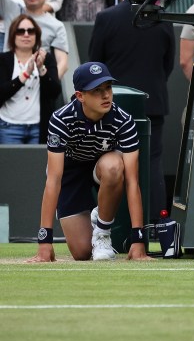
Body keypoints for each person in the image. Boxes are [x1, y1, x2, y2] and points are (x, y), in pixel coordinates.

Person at [27, 61, 150, 263]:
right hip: (71, 171)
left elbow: (132, 181)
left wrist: (138, 240)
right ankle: (97, 218)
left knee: (113, 166)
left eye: (108, 88)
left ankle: (102, 231)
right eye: (96, 90)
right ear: (80, 96)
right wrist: (44, 242)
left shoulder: (123, 120)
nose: (106, 95)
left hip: (104, 165)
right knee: (82, 253)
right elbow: (54, 180)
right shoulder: (61, 119)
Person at [89, 0, 176, 222]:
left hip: (113, 107)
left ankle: (114, 224)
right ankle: (157, 223)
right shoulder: (162, 18)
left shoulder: (107, 18)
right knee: (151, 166)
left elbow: (94, 65)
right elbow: (167, 65)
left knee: (112, 164)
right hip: (152, 104)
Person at [0, 13, 60, 144]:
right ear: (13, 35)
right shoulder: (3, 60)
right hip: (8, 126)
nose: (26, 35)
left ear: (36, 35)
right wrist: (25, 75)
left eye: (31, 31)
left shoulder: (46, 59)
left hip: (38, 127)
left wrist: (41, 69)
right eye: (20, 31)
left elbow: (54, 92)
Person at [1, 0, 69, 78]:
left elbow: (62, 63)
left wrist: (50, 83)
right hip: (8, 77)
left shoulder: (56, 25)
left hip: (37, 79)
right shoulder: (11, 9)